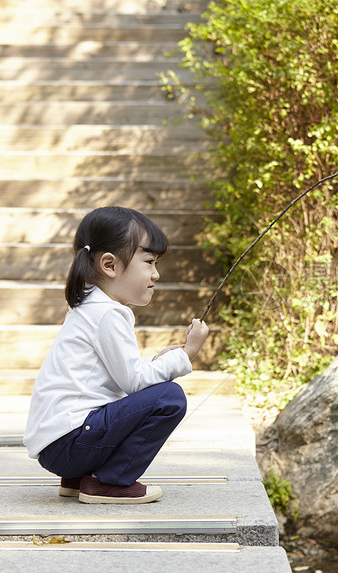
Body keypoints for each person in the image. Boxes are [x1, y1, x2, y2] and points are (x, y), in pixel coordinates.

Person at [23, 206, 209, 504]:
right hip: (70, 443)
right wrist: (187, 354)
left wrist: (160, 359)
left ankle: (78, 479)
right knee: (169, 398)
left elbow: (121, 374)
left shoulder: (92, 308)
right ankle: (109, 481)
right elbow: (134, 382)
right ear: (109, 264)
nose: (156, 273)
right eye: (149, 262)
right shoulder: (107, 313)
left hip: (59, 445)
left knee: (148, 396)